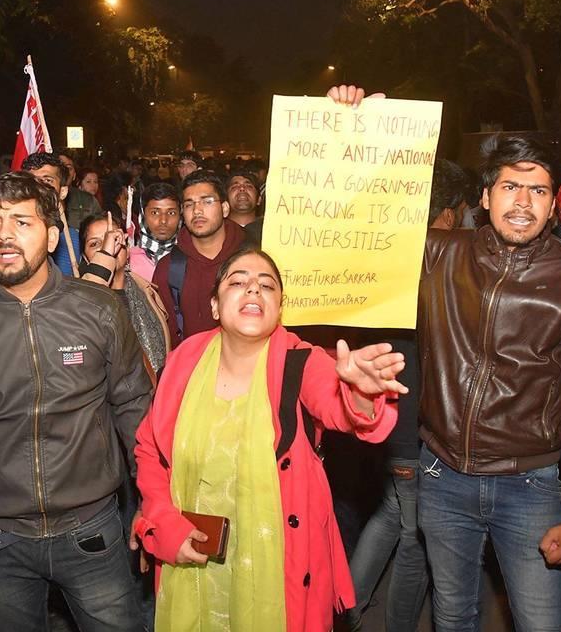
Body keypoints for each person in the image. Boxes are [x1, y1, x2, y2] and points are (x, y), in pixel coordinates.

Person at [331, 85, 561, 632]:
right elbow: (364, 224)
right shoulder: (440, 255)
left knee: (542, 623)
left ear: (553, 203)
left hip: (530, 485)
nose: (522, 201)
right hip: (441, 477)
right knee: (451, 617)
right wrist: (358, 128)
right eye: (510, 186)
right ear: (485, 197)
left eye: (538, 190)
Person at [0, 172, 152, 632]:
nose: (4, 235)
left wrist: (152, 497)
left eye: (21, 222)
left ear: (52, 236)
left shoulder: (99, 309)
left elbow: (134, 407)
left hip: (91, 529)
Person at [134, 247, 407, 631]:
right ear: (215, 306)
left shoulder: (301, 361)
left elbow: (342, 408)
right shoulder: (183, 362)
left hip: (277, 568)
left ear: (279, 308)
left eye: (266, 286)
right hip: (192, 558)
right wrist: (163, 520)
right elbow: (150, 450)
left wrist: (361, 392)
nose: (253, 290)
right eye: (238, 282)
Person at [342, 157, 471, 632]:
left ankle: (344, 610)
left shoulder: (387, 260)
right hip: (415, 425)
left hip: (389, 419)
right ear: (449, 214)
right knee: (414, 537)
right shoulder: (442, 271)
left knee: (393, 512)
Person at [153, 170, 245, 348]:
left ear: (225, 208)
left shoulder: (251, 259)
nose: (197, 210)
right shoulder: (169, 268)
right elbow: (165, 337)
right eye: (189, 204)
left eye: (207, 201)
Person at [80, 213, 171, 373]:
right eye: (95, 244)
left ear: (128, 249)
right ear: (85, 258)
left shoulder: (148, 292)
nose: (108, 247)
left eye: (114, 239)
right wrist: (104, 258)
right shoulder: (79, 302)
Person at [129, 183, 181, 282]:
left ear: (180, 216)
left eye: (171, 213)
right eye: (155, 212)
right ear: (143, 215)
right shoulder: (128, 261)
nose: (163, 220)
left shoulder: (191, 256)